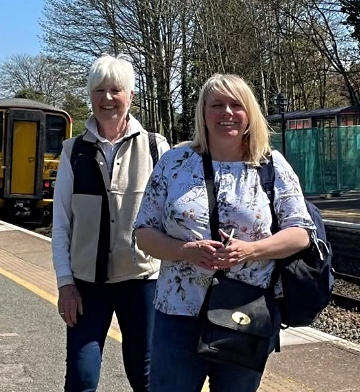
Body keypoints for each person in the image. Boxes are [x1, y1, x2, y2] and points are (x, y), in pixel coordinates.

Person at [132, 73, 315, 392]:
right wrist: (185, 250)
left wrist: (251, 251)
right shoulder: (175, 162)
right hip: (178, 314)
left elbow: (301, 233)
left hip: (245, 314)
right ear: (203, 113)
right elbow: (143, 232)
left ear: (250, 114)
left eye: (236, 105)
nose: (226, 112)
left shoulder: (271, 166)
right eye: (216, 105)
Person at [51, 53, 170, 392]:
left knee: (146, 376)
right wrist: (65, 283)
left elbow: (172, 215)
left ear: (130, 96)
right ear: (90, 95)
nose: (107, 98)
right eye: (99, 90)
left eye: (115, 90)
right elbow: (61, 223)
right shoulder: (74, 151)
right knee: (81, 377)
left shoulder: (155, 147)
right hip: (87, 286)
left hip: (143, 282)